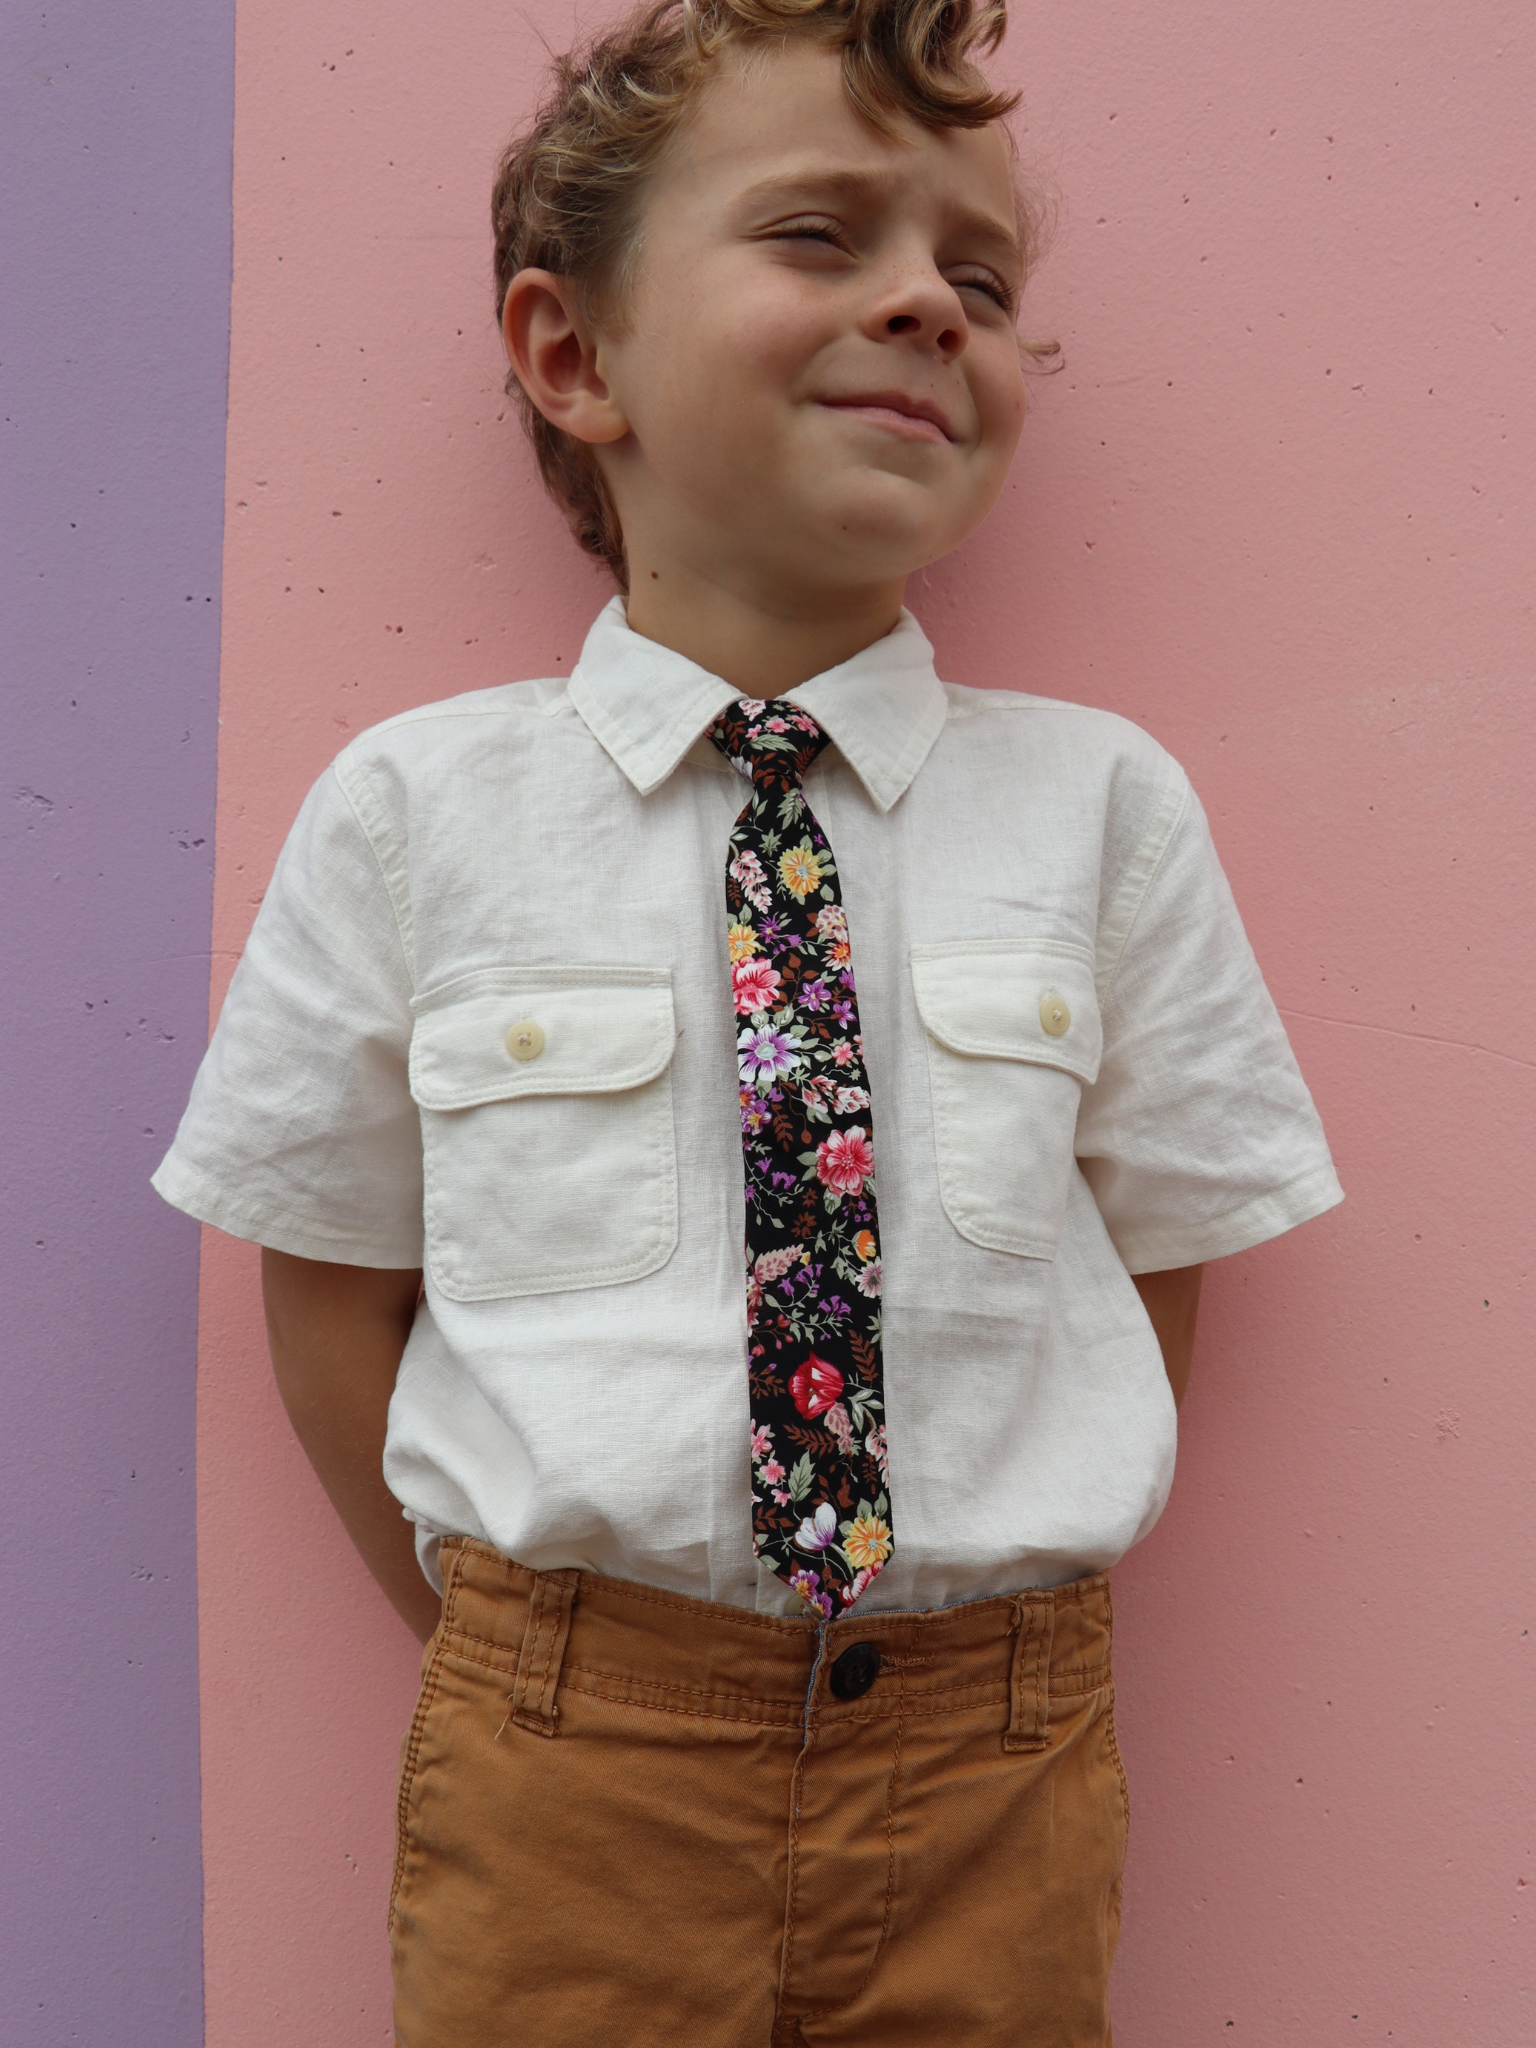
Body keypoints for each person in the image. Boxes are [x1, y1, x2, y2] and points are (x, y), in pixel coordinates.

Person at [153, 0, 1343, 2039]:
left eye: (980, 275)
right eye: (820, 234)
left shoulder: (1101, 808)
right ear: (570, 354)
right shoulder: (420, 812)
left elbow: (1147, 1267)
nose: (928, 305)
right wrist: (518, 1643)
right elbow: (330, 1284)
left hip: (998, 1757)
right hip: (571, 1757)